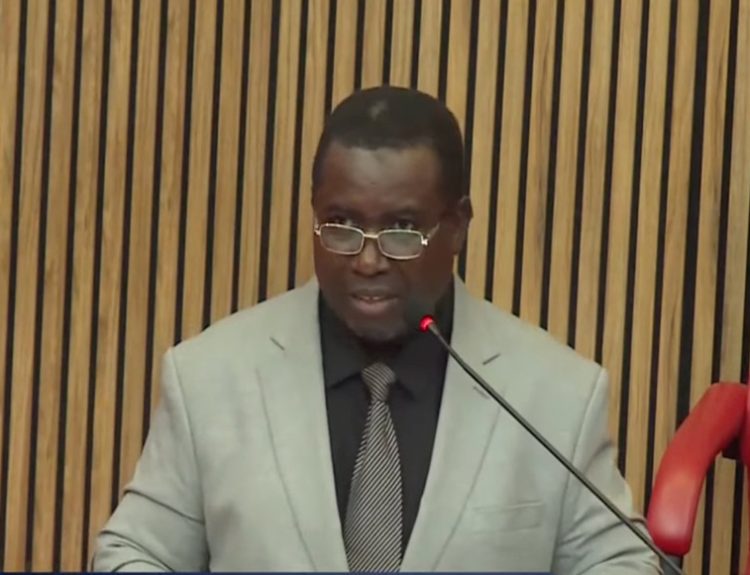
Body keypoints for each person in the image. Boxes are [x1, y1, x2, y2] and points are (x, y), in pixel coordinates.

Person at [93, 86, 660, 573]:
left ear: (457, 225)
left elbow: (620, 563)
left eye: (402, 229)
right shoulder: (209, 377)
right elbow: (135, 553)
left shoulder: (557, 395)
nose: (367, 261)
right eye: (341, 224)